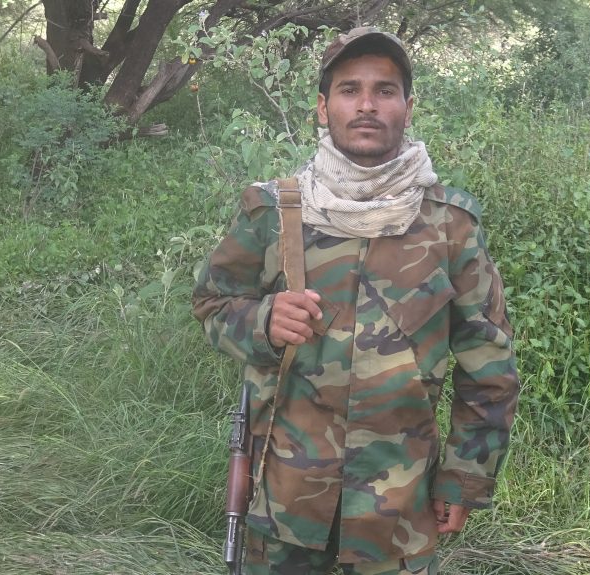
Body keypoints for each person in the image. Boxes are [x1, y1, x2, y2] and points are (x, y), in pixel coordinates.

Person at [192, 27, 520, 575]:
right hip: (284, 505)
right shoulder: (272, 212)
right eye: (349, 90)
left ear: (408, 108)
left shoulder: (450, 225)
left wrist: (466, 477)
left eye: (385, 91)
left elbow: (489, 362)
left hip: (397, 511)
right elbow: (211, 303)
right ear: (323, 108)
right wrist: (263, 321)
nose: (367, 105)